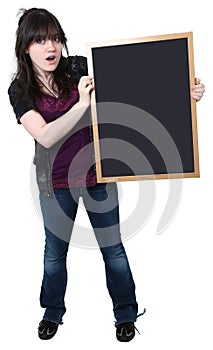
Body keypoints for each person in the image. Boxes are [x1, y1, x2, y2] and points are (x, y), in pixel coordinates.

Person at [8, 8, 205, 343]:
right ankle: (52, 312)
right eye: (40, 40)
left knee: (113, 249)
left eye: (55, 38)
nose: (50, 46)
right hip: (54, 185)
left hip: (97, 175)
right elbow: (44, 135)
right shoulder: (20, 90)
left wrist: (182, 91)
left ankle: (126, 314)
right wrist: (82, 106)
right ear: (26, 47)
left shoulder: (78, 68)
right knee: (54, 255)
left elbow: (132, 85)